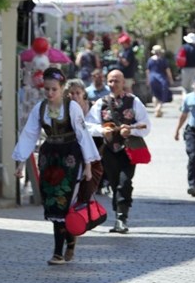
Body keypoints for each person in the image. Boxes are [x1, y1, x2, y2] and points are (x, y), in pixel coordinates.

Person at [14, 68, 99, 265]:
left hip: (70, 157)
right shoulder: (41, 108)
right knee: (52, 202)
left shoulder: (72, 108)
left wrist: (88, 165)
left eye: (54, 89)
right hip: (49, 157)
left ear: (62, 89)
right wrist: (20, 162)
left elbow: (82, 135)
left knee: (65, 201)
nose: (50, 93)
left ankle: (58, 252)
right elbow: (29, 134)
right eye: (47, 89)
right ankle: (69, 240)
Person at [87, 69, 151, 234]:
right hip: (109, 150)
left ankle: (122, 218)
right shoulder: (101, 103)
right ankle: (118, 217)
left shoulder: (134, 101)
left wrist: (131, 131)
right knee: (115, 183)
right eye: (110, 81)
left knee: (124, 182)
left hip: (128, 150)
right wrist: (102, 131)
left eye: (116, 81)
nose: (113, 84)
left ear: (124, 83)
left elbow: (146, 125)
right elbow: (88, 125)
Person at [146, 45, 174, 117]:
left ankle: (157, 110)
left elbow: (148, 71)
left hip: (152, 78)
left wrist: (148, 80)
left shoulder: (150, 60)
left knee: (155, 94)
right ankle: (158, 108)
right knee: (162, 95)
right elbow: (168, 71)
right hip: (161, 79)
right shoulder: (163, 60)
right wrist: (170, 79)